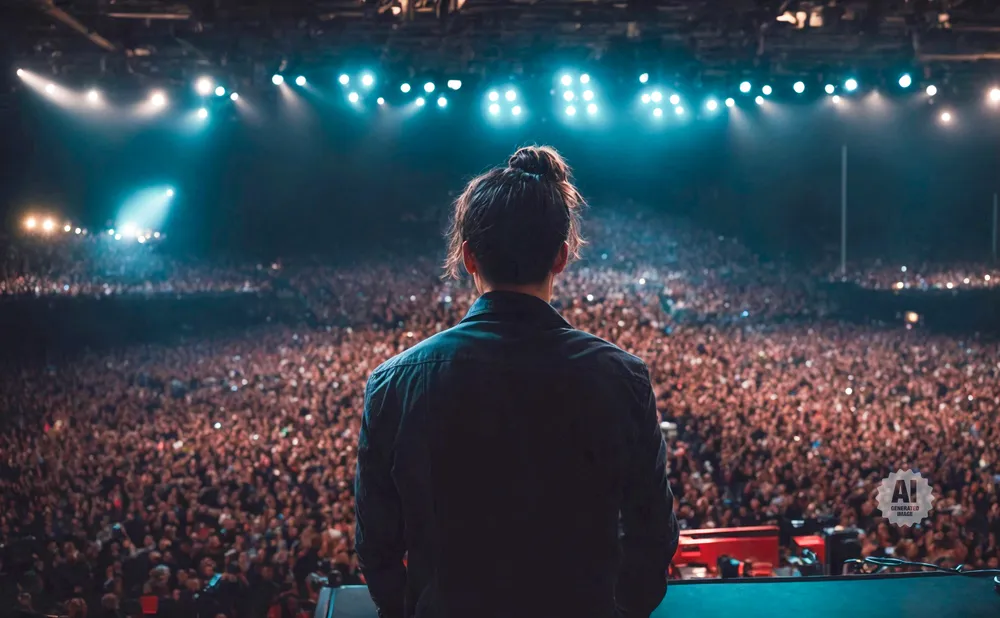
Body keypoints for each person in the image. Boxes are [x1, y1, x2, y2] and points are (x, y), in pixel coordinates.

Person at [355, 146, 679, 618]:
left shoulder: (394, 381)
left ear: (468, 257)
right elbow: (652, 534)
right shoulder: (621, 376)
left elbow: (376, 543)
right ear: (562, 256)